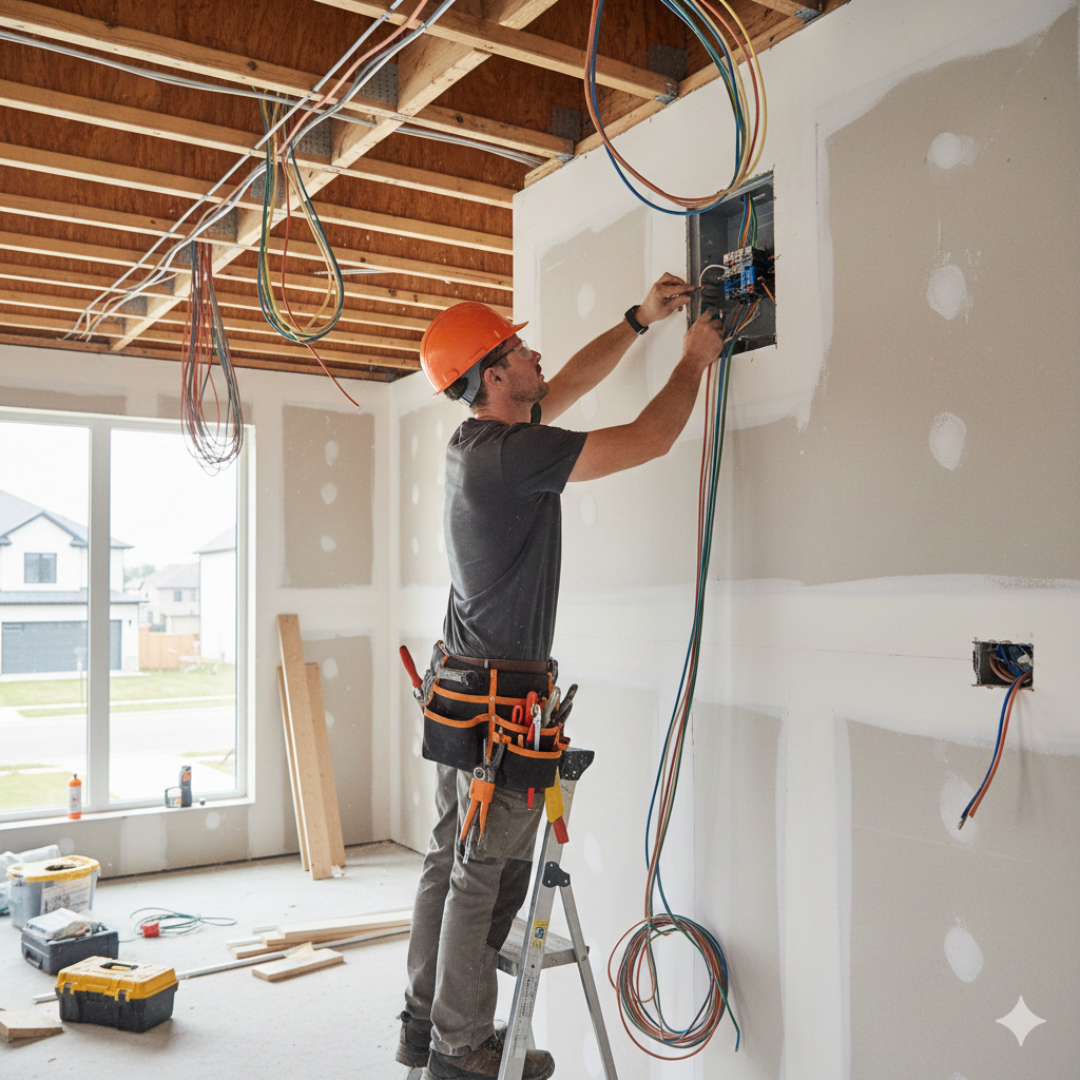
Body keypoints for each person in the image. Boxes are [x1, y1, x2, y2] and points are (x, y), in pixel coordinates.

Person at [398, 274, 729, 1080]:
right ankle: (461, 1048)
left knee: (450, 860)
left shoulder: (481, 444)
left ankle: (423, 1025)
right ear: (495, 376)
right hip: (498, 704)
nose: (534, 352)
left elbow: (568, 382)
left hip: (460, 690)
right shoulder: (513, 457)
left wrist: (638, 321)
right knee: (482, 871)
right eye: (517, 349)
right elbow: (650, 438)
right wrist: (695, 359)